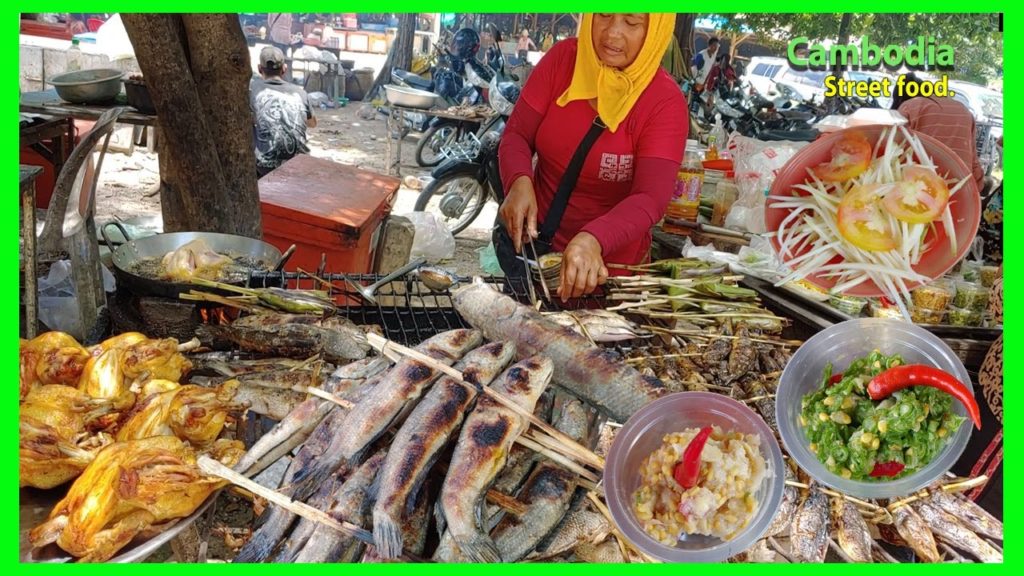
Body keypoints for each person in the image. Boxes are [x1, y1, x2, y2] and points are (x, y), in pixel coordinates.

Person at [497, 13, 687, 300]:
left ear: (655, 29)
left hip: (608, 274)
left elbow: (650, 197)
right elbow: (517, 135)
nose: (612, 33)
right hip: (536, 254)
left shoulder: (664, 101)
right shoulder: (563, 60)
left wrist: (594, 238)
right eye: (604, 15)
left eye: (632, 23)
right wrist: (519, 181)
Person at [892, 73, 985, 194]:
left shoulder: (909, 107)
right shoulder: (963, 110)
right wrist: (976, 191)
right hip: (961, 191)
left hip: (920, 192)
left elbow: (893, 156)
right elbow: (974, 162)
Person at [250, 46, 316, 178]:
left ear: (259, 68)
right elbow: (312, 123)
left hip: (264, 167)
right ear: (284, 69)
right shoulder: (300, 93)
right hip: (299, 164)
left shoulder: (252, 91)